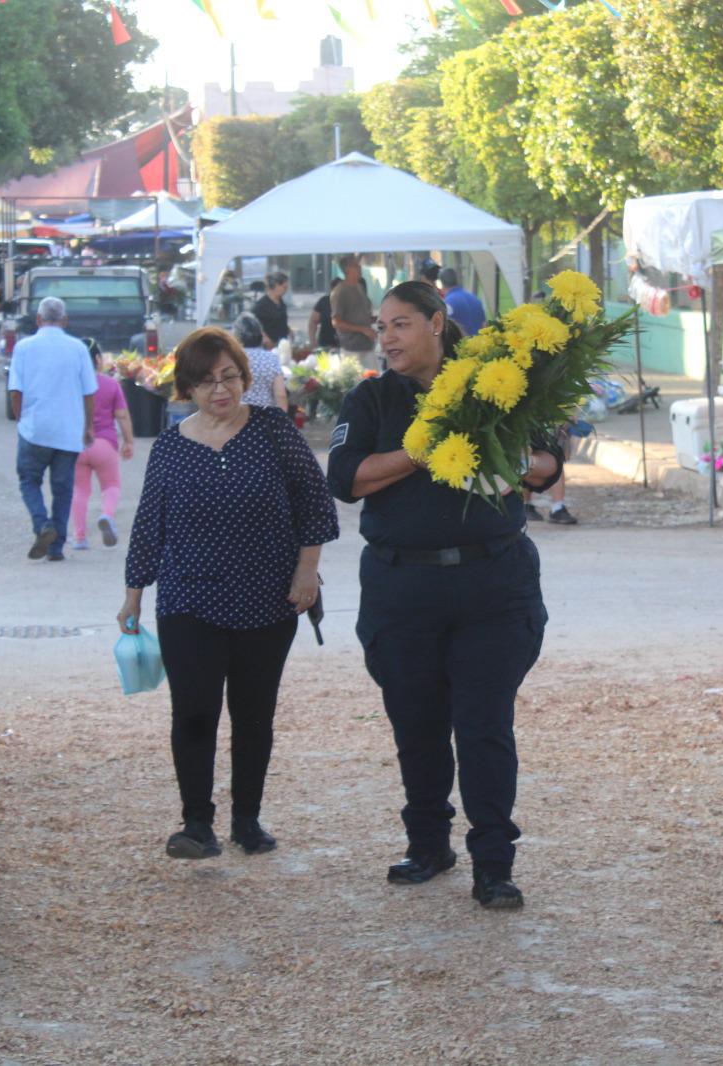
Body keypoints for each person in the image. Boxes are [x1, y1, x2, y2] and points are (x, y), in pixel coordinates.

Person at [326, 280, 562, 910]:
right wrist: (418, 448)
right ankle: (428, 844)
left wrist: (506, 452)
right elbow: (345, 480)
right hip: (402, 589)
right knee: (417, 724)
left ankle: (494, 863)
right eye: (380, 327)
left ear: (436, 323)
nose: (386, 338)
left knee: (484, 726)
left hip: (493, 586)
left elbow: (548, 464)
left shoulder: (498, 382)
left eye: (400, 324)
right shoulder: (373, 398)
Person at [119, 327, 339, 861]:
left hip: (269, 596)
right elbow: (150, 523)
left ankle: (247, 819)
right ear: (187, 389)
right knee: (193, 712)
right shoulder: (171, 447)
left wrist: (306, 573)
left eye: (230, 377)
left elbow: (314, 502)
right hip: (189, 598)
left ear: (244, 377)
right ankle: (196, 824)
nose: (220, 389)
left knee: (254, 713)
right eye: (206, 381)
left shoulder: (272, 430)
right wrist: (133, 596)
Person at [8, 296, 97, 561]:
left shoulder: (24, 347)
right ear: (65, 320)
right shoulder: (78, 349)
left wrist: (20, 418)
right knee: (63, 489)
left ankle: (42, 524)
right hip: (68, 432)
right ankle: (56, 548)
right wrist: (88, 425)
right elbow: (89, 393)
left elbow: (15, 391)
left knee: (29, 481)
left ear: (38, 319)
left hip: (35, 429)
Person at [69, 343, 135, 551]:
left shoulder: (71, 386)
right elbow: (122, 415)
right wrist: (129, 441)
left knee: (80, 491)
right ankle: (106, 515)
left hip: (77, 444)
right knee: (111, 486)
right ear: (98, 360)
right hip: (105, 444)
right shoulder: (110, 384)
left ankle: (79, 537)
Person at [232, 313, 290, 411]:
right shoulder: (271, 358)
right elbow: (280, 395)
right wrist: (282, 419)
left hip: (237, 416)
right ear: (261, 334)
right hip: (265, 417)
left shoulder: (233, 358)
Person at [331, 254, 377, 366]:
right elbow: (336, 322)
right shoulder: (340, 291)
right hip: (351, 348)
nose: (360, 267)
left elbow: (360, 315)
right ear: (348, 269)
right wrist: (363, 329)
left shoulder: (360, 287)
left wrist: (374, 320)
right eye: (356, 265)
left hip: (367, 345)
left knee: (373, 378)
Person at [439, 267, 486, 338]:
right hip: (478, 345)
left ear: (442, 284)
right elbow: (484, 325)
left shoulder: (447, 304)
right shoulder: (475, 299)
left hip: (460, 346)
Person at [251, 271, 292, 347]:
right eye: (284, 287)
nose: (286, 290)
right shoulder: (261, 306)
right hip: (268, 345)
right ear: (275, 286)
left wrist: (289, 331)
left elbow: (281, 321)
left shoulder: (281, 303)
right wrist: (265, 338)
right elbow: (254, 325)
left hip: (282, 343)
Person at [307, 277, 342, 349]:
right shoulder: (324, 302)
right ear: (332, 289)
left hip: (343, 346)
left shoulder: (347, 303)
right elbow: (313, 322)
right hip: (325, 344)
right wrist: (313, 341)